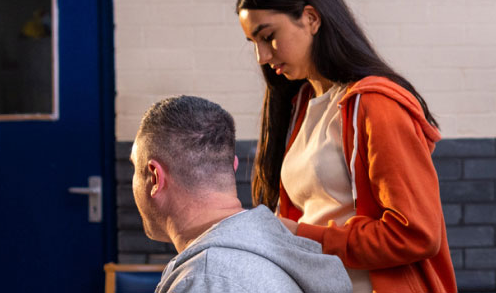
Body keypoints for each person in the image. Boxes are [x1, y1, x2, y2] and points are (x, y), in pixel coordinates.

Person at [237, 0, 456, 292]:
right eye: (254, 44)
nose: (262, 57)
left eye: (268, 37)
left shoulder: (376, 104)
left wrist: (301, 236)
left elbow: (416, 234)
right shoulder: (301, 106)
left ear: (310, 18)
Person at [131, 95, 352, 293]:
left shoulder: (206, 279)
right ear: (233, 166)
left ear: (155, 178)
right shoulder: (273, 253)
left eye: (134, 169)